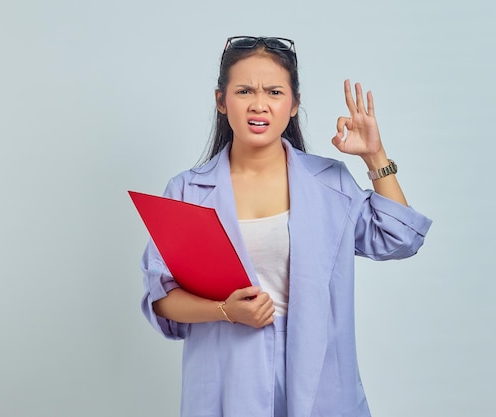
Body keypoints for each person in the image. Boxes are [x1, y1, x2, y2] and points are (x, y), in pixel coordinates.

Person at [140, 36, 432, 417]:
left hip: (320, 382)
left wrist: (375, 156)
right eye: (244, 90)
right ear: (221, 101)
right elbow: (160, 298)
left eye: (274, 92)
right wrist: (225, 311)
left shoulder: (329, 183)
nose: (259, 104)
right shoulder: (188, 190)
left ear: (293, 104)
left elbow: (400, 238)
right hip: (227, 382)